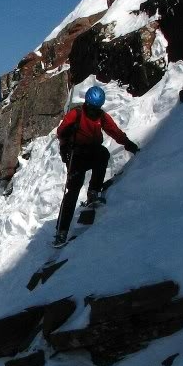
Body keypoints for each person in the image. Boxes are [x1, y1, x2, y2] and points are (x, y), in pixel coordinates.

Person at [54, 86, 139, 246]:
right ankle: (61, 231)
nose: (94, 111)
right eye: (92, 108)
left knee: (103, 154)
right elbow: (60, 131)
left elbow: (113, 131)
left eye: (96, 108)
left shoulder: (101, 116)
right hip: (76, 155)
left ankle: (93, 191)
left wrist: (127, 143)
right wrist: (68, 131)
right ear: (87, 103)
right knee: (72, 192)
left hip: (92, 151)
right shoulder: (77, 113)